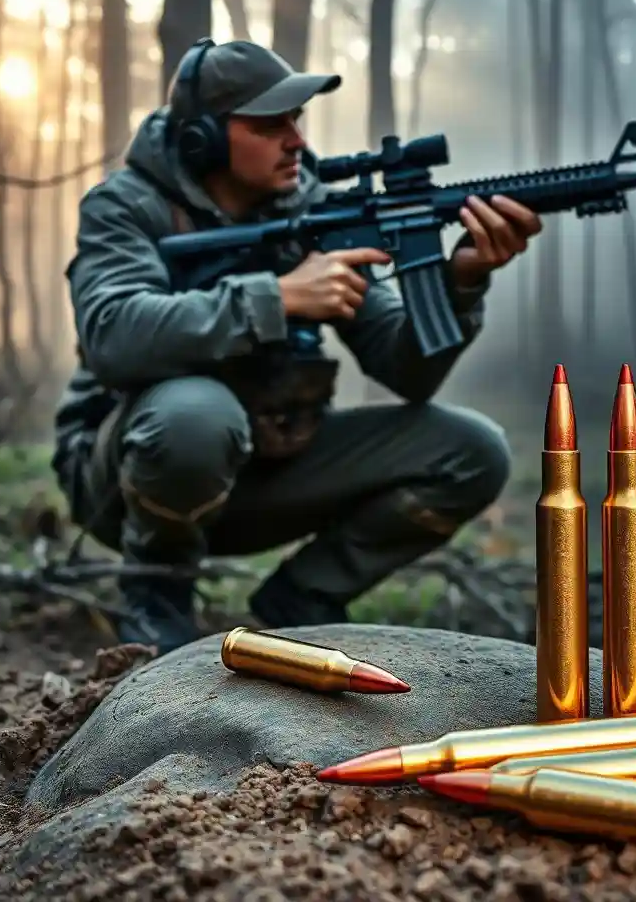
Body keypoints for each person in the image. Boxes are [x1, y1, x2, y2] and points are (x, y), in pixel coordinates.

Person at [51, 37, 545, 654]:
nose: (297, 140)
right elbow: (113, 337)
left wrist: (461, 282)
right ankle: (157, 591)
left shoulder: (312, 209)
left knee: (473, 451)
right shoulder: (127, 207)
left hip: (266, 469)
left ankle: (302, 597)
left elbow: (405, 367)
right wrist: (277, 298)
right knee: (194, 415)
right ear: (203, 136)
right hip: (127, 482)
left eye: (296, 119)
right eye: (270, 123)